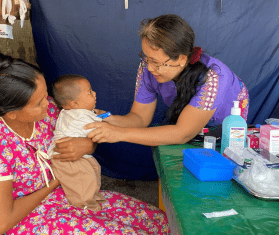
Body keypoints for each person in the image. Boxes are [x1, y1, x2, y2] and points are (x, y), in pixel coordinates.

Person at [0, 53, 170, 234]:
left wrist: (87, 145)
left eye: (46, 95)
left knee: (159, 221)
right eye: (39, 102)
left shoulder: (49, 112)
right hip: (32, 217)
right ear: (12, 113)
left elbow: (83, 132)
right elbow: (4, 222)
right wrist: (56, 181)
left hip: (70, 192)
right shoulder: (3, 147)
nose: (48, 103)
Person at [85, 14, 249, 146]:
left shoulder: (213, 78)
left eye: (156, 62)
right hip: (187, 127)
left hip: (226, 129)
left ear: (182, 59)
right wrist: (107, 120)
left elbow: (182, 133)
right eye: (146, 58)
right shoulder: (147, 67)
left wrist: (118, 133)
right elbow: (140, 118)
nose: (149, 68)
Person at [48, 74, 106, 212]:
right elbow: (99, 127)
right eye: (89, 92)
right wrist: (106, 117)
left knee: (93, 171)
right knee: (82, 181)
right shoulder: (79, 115)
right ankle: (84, 207)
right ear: (74, 104)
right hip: (68, 158)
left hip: (69, 155)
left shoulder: (70, 112)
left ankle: (91, 197)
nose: (94, 93)